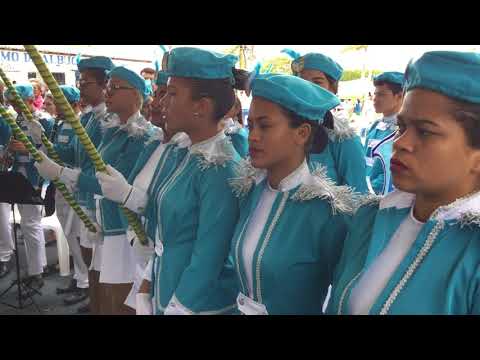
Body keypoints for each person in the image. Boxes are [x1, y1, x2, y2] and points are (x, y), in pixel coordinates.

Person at [328, 51, 480, 315]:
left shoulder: (472, 250)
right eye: (402, 127)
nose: (400, 143)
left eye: (425, 132)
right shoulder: (371, 218)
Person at [99, 47, 244, 315]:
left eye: (173, 94)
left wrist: (179, 306)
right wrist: (149, 282)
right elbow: (165, 228)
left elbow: (208, 259)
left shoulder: (221, 167)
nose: (162, 103)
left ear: (202, 107)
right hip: (166, 290)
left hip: (198, 306)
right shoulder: (185, 153)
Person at [229, 73, 355, 315]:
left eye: (265, 126)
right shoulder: (249, 190)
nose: (253, 136)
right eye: (250, 125)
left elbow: (343, 299)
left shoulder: (327, 213)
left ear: (302, 133)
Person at [35, 65, 152, 315]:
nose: (108, 93)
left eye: (115, 88)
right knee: (101, 291)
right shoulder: (112, 130)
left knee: (119, 302)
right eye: (107, 87)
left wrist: (61, 173)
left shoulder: (141, 135)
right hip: (104, 222)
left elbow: (109, 183)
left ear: (135, 95)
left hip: (122, 227)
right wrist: (44, 144)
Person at [97, 69, 191, 312]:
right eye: (159, 94)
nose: (159, 102)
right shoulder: (155, 144)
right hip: (136, 243)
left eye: (169, 94)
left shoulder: (189, 152)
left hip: (160, 255)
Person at [33, 56, 114, 314]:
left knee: (99, 260)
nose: (80, 86)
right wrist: (43, 141)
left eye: (85, 82)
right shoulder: (88, 119)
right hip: (82, 196)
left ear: (104, 85)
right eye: (80, 81)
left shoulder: (109, 121)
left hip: (97, 200)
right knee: (88, 256)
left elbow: (100, 166)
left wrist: (64, 172)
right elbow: (71, 154)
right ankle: (93, 298)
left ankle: (98, 300)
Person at [282, 49, 368, 193]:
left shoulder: (344, 138)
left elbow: (357, 198)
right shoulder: (281, 129)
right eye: (301, 81)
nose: (307, 88)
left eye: (317, 82)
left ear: (332, 89)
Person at [4, 83, 54, 297]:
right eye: (11, 103)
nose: (14, 106)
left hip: (36, 179)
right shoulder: (18, 119)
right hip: (19, 177)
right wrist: (9, 153)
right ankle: (36, 268)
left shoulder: (43, 120)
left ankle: (37, 274)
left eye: (17, 102)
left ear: (28, 99)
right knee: (27, 225)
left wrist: (28, 150)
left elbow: (51, 152)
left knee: (31, 225)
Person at [47, 85, 90, 305]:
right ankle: (78, 276)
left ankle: (85, 282)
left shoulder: (79, 125)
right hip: (60, 185)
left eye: (60, 101)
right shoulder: (59, 124)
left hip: (73, 186)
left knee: (78, 234)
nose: (55, 105)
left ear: (73, 104)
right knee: (68, 232)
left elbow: (76, 157)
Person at [364, 72, 404, 182]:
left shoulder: (404, 130)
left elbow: (391, 174)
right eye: (375, 94)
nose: (375, 99)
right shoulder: (374, 126)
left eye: (381, 94)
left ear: (399, 96)